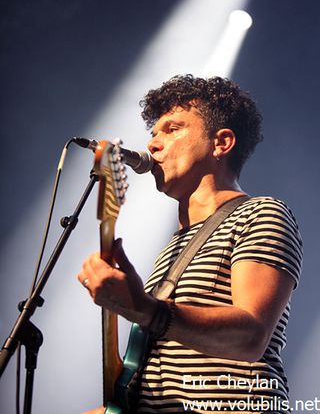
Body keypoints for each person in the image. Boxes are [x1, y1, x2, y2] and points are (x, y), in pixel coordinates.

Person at [78, 75, 303, 413]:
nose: (153, 144)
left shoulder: (260, 213)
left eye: (172, 129)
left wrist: (145, 308)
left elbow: (251, 336)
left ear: (221, 143)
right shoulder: (173, 248)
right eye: (153, 133)